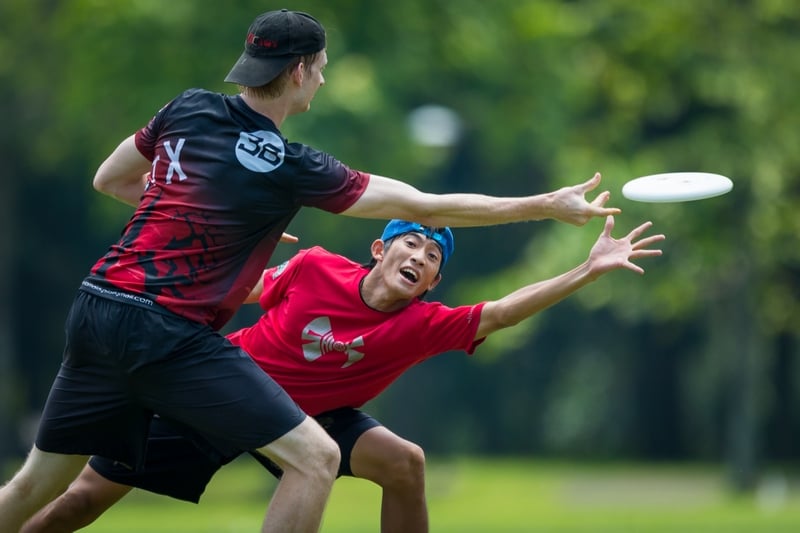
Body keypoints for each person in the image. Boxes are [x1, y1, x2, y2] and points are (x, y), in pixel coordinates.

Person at [0, 8, 621, 532]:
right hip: (169, 334)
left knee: (32, 487)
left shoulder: (186, 107)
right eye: (320, 69)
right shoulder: (292, 165)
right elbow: (426, 207)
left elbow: (111, 180)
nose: (320, 81)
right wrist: (546, 204)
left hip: (98, 306)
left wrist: (219, 223)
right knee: (316, 459)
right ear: (299, 71)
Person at [22, 216, 664, 533]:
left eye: (433, 257)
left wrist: (587, 270)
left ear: (432, 283)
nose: (420, 257)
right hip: (224, 390)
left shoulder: (424, 323)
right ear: (380, 250)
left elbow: (500, 312)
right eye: (411, 242)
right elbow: (240, 290)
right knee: (80, 501)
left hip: (314, 419)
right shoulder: (315, 267)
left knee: (406, 463)